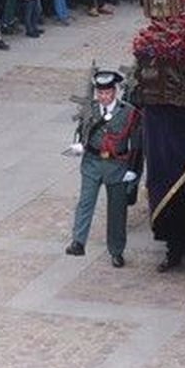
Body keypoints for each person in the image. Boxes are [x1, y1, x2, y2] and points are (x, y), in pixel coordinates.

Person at [65, 70, 142, 267]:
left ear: (114, 92)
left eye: (107, 93)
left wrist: (133, 169)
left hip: (116, 165)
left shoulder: (128, 112)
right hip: (92, 162)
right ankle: (78, 241)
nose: (103, 97)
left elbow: (137, 144)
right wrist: (78, 144)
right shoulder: (91, 109)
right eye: (100, 93)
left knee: (117, 211)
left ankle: (116, 251)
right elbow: (81, 130)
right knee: (85, 202)